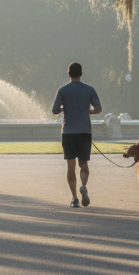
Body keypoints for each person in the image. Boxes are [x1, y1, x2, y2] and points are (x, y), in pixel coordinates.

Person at [52, 62, 102, 208]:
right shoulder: (89, 90)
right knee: (83, 164)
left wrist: (65, 107)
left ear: (69, 74)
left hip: (68, 132)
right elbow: (98, 109)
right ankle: (83, 186)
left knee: (70, 165)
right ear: (81, 74)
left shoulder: (63, 90)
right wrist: (87, 111)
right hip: (84, 131)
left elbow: (54, 110)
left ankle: (74, 198)